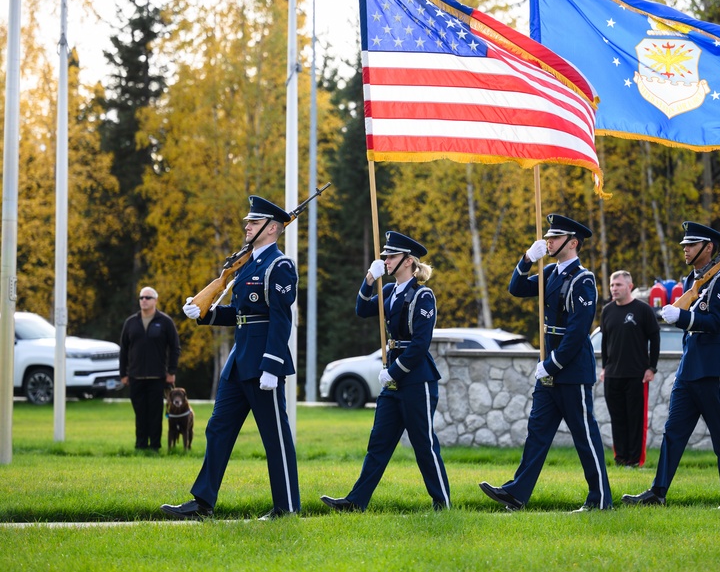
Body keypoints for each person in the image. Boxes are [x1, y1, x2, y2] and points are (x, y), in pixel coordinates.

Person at [161, 195, 300, 521]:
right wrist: (204, 314)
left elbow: (281, 320)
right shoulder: (248, 263)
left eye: (254, 222)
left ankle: (287, 507)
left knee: (275, 439)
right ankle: (202, 503)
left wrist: (271, 366)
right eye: (248, 222)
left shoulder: (279, 267)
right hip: (238, 364)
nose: (247, 226)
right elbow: (240, 314)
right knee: (217, 429)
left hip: (262, 365)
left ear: (272, 229)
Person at [479, 214, 612, 512]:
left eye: (555, 238)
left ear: (572, 242)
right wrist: (526, 259)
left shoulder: (583, 279)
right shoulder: (551, 273)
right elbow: (516, 288)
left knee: (584, 437)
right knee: (537, 433)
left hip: (571, 370)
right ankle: (516, 494)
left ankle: (600, 499)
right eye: (548, 237)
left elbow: (578, 332)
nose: (548, 241)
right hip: (549, 371)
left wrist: (552, 364)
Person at [321, 231, 450, 512]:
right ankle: (356, 502)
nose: (386, 260)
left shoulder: (422, 295)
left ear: (407, 261)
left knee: (423, 444)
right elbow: (362, 309)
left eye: (391, 256)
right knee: (378, 444)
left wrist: (395, 371)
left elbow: (420, 344)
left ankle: (443, 503)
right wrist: (369, 279)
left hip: (417, 379)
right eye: (385, 257)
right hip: (393, 383)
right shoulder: (390, 291)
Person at [622, 222, 720, 509]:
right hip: (689, 368)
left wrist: (682, 317)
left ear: (709, 247)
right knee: (673, 432)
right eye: (685, 245)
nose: (685, 250)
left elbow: (716, 323)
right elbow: (690, 321)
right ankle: (658, 491)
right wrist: (679, 316)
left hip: (712, 368)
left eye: (691, 245)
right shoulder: (692, 281)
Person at [599, 270, 660, 467]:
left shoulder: (643, 310)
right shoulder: (607, 311)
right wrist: (604, 367)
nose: (614, 289)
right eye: (612, 285)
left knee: (636, 421)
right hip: (612, 376)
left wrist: (652, 367)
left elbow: (655, 339)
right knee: (617, 419)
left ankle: (635, 461)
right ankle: (620, 459)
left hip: (637, 376)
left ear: (630, 286)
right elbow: (605, 341)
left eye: (618, 285)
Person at [118, 286, 181, 452]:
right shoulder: (131, 322)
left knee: (155, 414)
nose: (144, 301)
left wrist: (171, 371)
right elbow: (124, 349)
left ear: (155, 300)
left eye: (147, 297)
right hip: (135, 376)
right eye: (141, 298)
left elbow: (175, 347)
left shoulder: (165, 321)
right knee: (140, 413)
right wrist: (123, 374)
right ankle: (140, 445)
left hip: (157, 376)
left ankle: (154, 446)